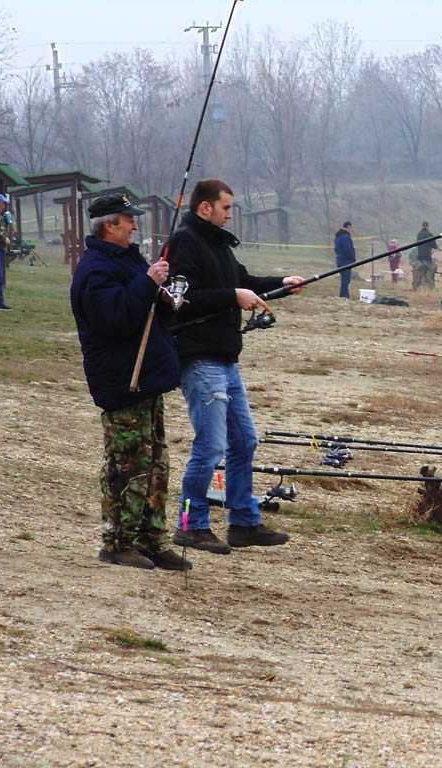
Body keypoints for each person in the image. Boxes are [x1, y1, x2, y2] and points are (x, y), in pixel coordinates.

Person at [167, 179, 304, 554]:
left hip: (226, 358)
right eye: (226, 208)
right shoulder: (184, 243)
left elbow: (243, 282)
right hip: (199, 358)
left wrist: (283, 283)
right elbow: (180, 300)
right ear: (205, 208)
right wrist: (233, 296)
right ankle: (190, 525)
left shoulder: (220, 246)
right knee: (210, 447)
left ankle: (243, 522)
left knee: (244, 441)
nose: (231, 214)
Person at [70, 194, 188, 571]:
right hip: (122, 382)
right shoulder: (94, 270)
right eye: (127, 219)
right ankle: (117, 542)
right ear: (109, 225)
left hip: (147, 380)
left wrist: (166, 294)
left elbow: (148, 307)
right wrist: (146, 282)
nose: (134, 225)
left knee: (155, 464)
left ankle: (151, 540)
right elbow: (114, 317)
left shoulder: (128, 260)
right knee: (126, 465)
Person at [412, 221, 440, 290]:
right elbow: (433, 244)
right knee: (429, 272)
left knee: (419, 271)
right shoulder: (429, 234)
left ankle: (416, 287)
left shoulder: (419, 234)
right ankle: (430, 287)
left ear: (422, 226)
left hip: (420, 256)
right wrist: (437, 247)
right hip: (427, 256)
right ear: (427, 226)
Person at [334, 220, 356, 298]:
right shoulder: (345, 237)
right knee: (346, 280)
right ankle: (344, 295)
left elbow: (336, 249)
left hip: (340, 260)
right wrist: (352, 258)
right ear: (348, 227)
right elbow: (347, 249)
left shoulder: (338, 236)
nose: (351, 230)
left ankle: (344, 294)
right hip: (345, 261)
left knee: (344, 279)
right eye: (351, 228)